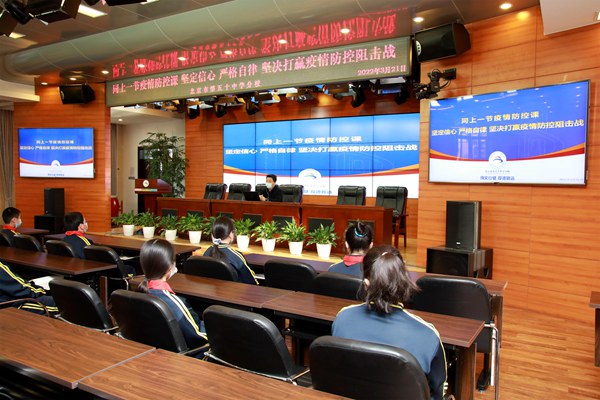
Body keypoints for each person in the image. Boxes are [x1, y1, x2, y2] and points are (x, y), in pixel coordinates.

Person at [332, 244, 447, 400]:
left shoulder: (342, 318)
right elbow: (437, 392)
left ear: (366, 284)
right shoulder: (428, 335)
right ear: (404, 281)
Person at [137, 238, 207, 349]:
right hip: (185, 356)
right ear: (170, 267)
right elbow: (197, 337)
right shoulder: (174, 303)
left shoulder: (137, 294)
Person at [203, 216, 258, 285]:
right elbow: (251, 281)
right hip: (233, 291)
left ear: (213, 235)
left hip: (210, 290)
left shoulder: (207, 251)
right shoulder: (235, 256)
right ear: (231, 234)